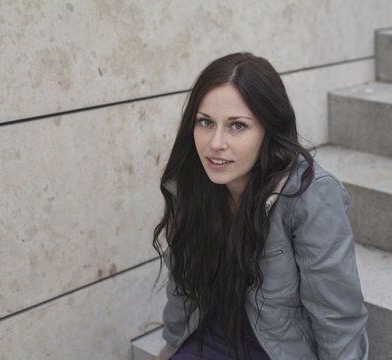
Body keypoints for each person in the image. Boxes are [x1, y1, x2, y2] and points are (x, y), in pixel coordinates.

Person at [152, 52, 368, 360]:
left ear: (269, 129)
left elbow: (335, 313)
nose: (215, 143)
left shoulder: (309, 196)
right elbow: (181, 287)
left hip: (277, 350)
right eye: (205, 122)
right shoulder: (191, 183)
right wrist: (172, 348)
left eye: (237, 126)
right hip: (206, 337)